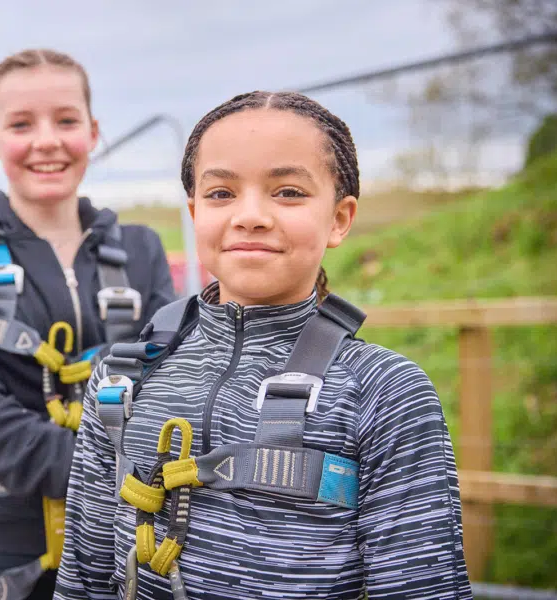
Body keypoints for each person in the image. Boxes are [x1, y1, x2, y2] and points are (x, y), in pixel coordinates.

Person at [55, 91, 473, 600]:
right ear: (193, 211)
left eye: (289, 192)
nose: (249, 215)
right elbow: (84, 573)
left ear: (340, 218)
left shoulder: (382, 392)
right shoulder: (121, 378)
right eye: (221, 194)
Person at [0, 48, 176, 600]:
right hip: (6, 542)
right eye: (20, 124)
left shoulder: (141, 250)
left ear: (93, 131)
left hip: (132, 537)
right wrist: (119, 477)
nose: (46, 141)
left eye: (65, 120)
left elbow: (173, 384)